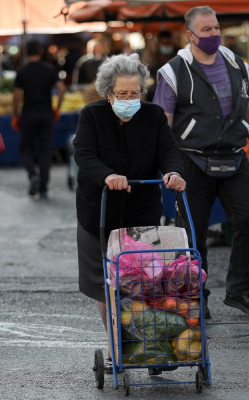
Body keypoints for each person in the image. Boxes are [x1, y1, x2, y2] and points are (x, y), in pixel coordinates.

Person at [153, 6, 249, 318]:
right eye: (206, 30)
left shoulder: (237, 64)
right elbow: (163, 122)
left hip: (234, 157)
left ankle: (240, 290)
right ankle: (195, 295)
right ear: (190, 35)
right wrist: (168, 164)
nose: (214, 34)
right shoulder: (173, 71)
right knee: (191, 234)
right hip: (191, 161)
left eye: (215, 28)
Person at [74, 52, 186, 333]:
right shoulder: (92, 115)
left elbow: (169, 151)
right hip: (99, 212)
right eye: (121, 93)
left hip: (142, 213)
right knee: (107, 283)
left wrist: (173, 172)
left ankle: (150, 342)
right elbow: (84, 155)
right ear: (108, 92)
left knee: (147, 280)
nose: (129, 99)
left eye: (135, 93)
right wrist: (107, 175)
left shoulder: (154, 115)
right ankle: (118, 342)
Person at [11, 40, 66, 199]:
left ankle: (32, 175)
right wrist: (57, 108)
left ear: (26, 52)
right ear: (40, 51)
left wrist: (15, 115)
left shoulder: (21, 71)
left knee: (26, 148)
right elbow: (61, 89)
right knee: (45, 150)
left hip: (28, 114)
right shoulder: (49, 69)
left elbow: (16, 97)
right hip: (46, 113)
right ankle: (43, 187)